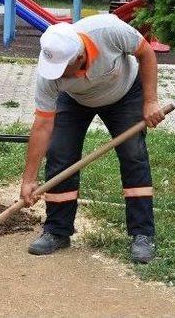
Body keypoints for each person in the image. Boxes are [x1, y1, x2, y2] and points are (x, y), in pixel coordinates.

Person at [19, 15, 165, 263]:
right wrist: (29, 179)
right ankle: (57, 230)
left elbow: (146, 53)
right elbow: (43, 125)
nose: (58, 74)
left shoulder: (108, 31)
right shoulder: (50, 73)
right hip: (75, 101)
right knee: (60, 154)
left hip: (124, 93)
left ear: (79, 57)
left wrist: (150, 100)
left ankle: (142, 234)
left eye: (64, 69)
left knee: (133, 155)